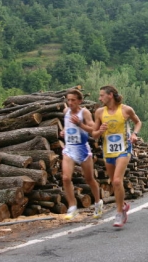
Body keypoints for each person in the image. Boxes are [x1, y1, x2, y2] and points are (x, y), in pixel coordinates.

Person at [92, 85, 142, 227]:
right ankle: (123, 204)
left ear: (110, 95)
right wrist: (99, 130)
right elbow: (94, 134)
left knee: (116, 181)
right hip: (108, 150)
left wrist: (134, 134)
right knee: (114, 182)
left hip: (124, 149)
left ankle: (119, 213)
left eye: (102, 95)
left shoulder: (126, 109)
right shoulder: (100, 112)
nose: (99, 98)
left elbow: (138, 122)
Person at [61, 89, 103, 220]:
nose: (70, 102)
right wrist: (63, 132)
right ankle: (72, 207)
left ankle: (98, 203)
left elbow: (93, 129)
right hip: (69, 149)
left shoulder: (84, 112)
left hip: (83, 149)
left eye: (73, 100)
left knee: (89, 179)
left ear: (79, 101)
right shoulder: (65, 112)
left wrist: (80, 124)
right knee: (66, 178)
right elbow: (67, 126)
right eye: (68, 100)